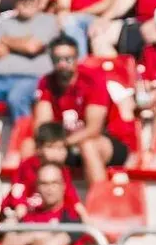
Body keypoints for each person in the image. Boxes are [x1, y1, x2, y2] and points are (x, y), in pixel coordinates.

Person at [34, 34, 131, 182]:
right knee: (30, 145)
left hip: (106, 141)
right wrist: (51, 146)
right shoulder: (47, 82)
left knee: (87, 145)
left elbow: (94, 129)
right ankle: (25, 198)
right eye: (57, 59)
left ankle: (98, 201)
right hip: (65, 143)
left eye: (68, 58)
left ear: (77, 58)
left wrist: (59, 145)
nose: (62, 64)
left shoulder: (92, 80)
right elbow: (43, 126)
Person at [0, 0, 59, 124]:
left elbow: (32, 47)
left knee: (16, 98)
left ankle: (23, 141)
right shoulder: (4, 22)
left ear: (39, 1)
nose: (27, 2)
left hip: (31, 79)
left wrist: (4, 41)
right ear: (16, 0)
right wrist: (20, 43)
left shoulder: (48, 21)